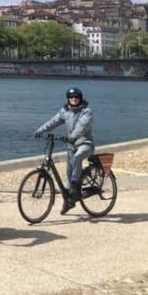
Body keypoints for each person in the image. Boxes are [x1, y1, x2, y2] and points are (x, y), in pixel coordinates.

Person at [34, 87, 94, 215]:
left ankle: (74, 185)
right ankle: (68, 202)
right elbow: (53, 122)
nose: (73, 99)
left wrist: (72, 136)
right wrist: (41, 130)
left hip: (85, 144)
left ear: (80, 98)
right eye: (71, 97)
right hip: (71, 146)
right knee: (67, 177)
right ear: (68, 99)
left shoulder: (86, 112)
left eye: (76, 97)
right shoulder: (65, 111)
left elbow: (81, 127)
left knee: (77, 158)